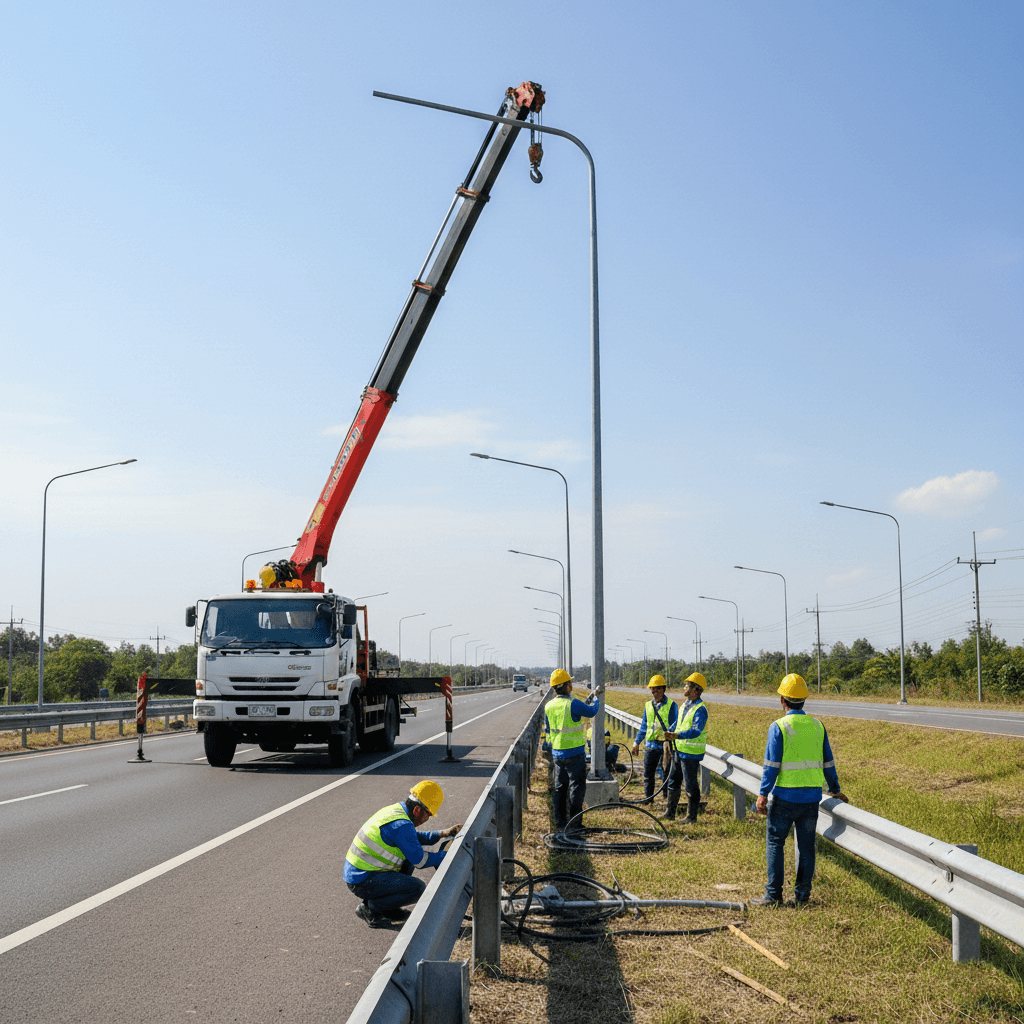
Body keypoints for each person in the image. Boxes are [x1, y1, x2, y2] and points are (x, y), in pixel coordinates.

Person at [753, 673, 849, 907]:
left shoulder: (779, 727)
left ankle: (773, 895)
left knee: (776, 842)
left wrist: (763, 794)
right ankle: (802, 896)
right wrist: (834, 789)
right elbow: (828, 761)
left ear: (782, 701)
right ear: (803, 700)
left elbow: (771, 766)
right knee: (807, 847)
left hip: (785, 796)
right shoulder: (817, 726)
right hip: (811, 799)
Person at [344, 780, 462, 928]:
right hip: (362, 880)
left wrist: (442, 834)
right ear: (418, 810)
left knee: (408, 858)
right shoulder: (401, 825)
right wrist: (449, 856)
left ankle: (389, 908)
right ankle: (370, 909)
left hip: (362, 873)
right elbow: (421, 861)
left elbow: (411, 839)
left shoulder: (397, 811)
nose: (427, 819)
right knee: (417, 888)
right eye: (428, 815)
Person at [544, 668, 599, 832]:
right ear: (566, 686)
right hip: (575, 753)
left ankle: (560, 823)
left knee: (560, 789)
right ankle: (574, 825)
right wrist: (598, 699)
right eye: (570, 682)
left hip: (557, 753)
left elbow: (548, 729)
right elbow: (591, 711)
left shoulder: (549, 705)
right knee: (576, 788)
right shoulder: (572, 704)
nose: (572, 685)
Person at [663, 672, 709, 821]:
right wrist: (670, 730)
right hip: (678, 750)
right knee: (673, 781)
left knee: (690, 784)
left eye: (687, 685)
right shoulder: (685, 705)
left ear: (695, 689)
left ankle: (691, 817)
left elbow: (696, 730)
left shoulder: (700, 709)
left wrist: (677, 736)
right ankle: (670, 813)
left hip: (690, 753)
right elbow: (679, 723)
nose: (684, 688)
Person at [630, 675, 678, 804]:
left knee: (667, 774)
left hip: (666, 746)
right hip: (651, 745)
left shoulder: (671, 705)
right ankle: (648, 799)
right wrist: (636, 743)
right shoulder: (648, 705)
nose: (654, 692)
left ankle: (667, 799)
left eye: (657, 689)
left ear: (663, 689)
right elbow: (644, 726)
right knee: (648, 775)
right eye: (652, 689)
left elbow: (676, 723)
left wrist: (669, 734)